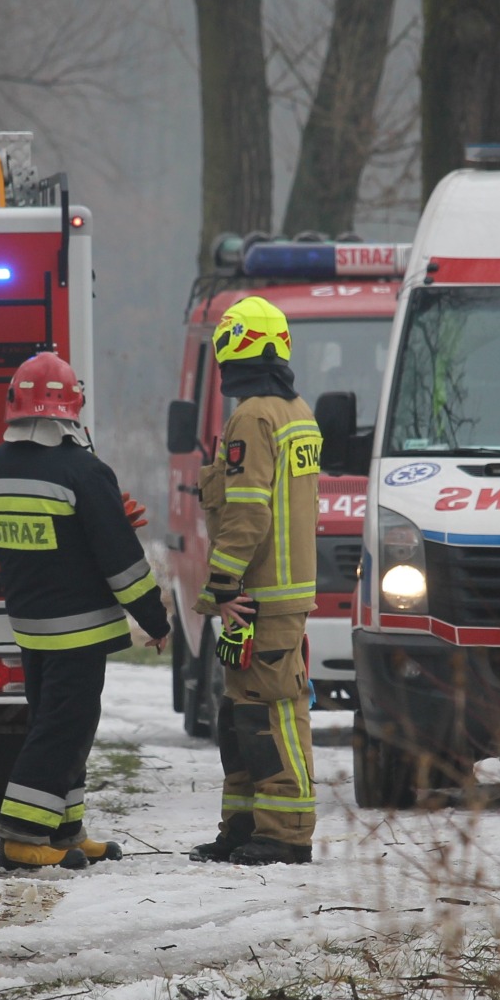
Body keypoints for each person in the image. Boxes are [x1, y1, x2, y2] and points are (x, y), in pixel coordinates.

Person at [0, 352, 168, 870]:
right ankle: (22, 836)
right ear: (72, 405)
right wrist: (154, 617)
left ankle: (63, 829)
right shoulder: (84, 470)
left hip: (31, 628)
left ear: (15, 403)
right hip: (79, 631)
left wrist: (78, 529)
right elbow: (120, 562)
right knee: (63, 730)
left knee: (59, 725)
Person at [189, 296, 322, 866]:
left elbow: (248, 512)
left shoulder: (251, 417)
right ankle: (244, 825)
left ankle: (285, 833)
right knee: (242, 712)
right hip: (275, 594)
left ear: (230, 349)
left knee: (272, 712)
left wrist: (222, 584)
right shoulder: (297, 412)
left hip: (257, 596)